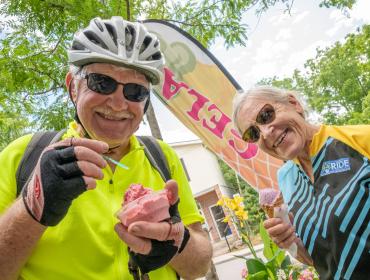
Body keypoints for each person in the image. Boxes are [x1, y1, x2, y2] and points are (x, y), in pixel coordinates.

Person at [0, 16, 212, 280]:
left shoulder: (162, 157)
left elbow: (199, 266)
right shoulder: (22, 156)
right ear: (73, 87)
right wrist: (32, 207)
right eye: (102, 83)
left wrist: (177, 242)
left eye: (135, 91)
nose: (118, 103)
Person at [232, 86, 370, 280]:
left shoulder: (361, 140)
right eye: (253, 134)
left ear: (293, 103)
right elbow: (322, 259)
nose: (265, 133)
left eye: (266, 115)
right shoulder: (286, 179)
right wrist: (290, 242)